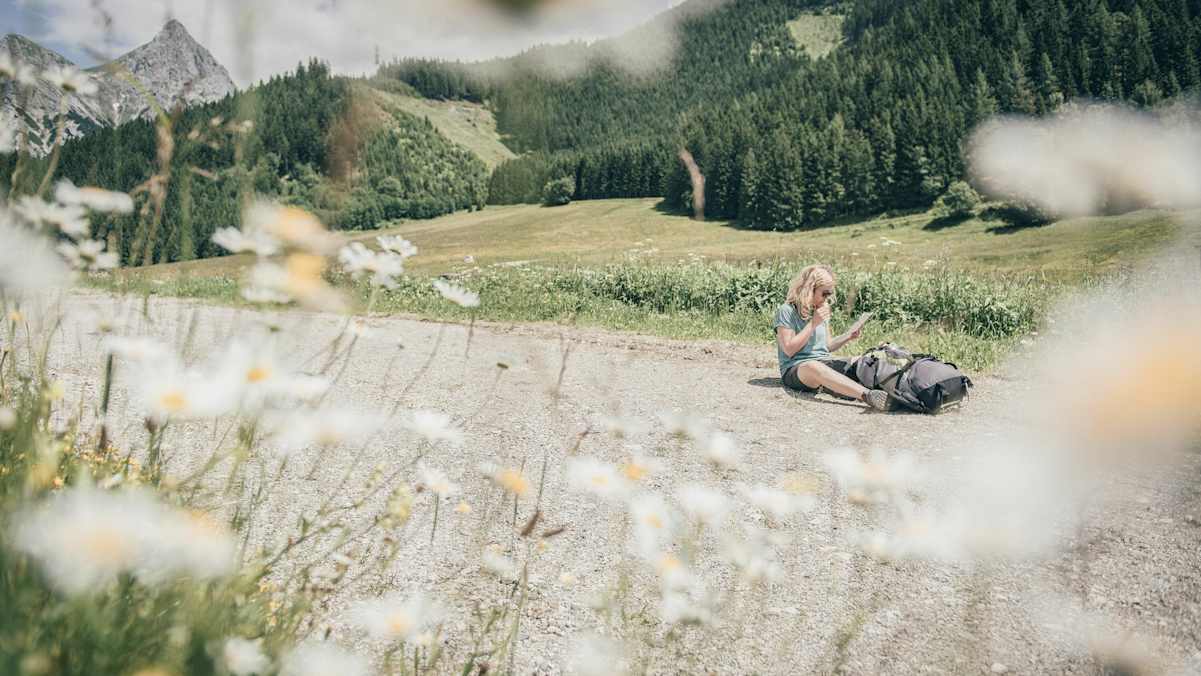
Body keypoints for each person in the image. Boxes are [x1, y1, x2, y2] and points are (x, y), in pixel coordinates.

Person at [772, 264, 890, 411]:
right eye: (824, 293)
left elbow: (827, 346)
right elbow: (789, 349)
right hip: (797, 369)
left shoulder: (820, 310)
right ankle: (868, 396)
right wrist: (813, 323)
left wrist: (848, 336)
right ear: (809, 290)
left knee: (863, 360)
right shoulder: (786, 311)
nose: (827, 298)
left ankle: (899, 392)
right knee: (813, 366)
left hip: (825, 362)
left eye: (830, 294)